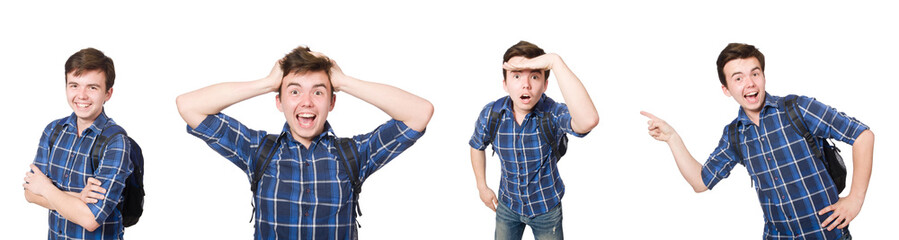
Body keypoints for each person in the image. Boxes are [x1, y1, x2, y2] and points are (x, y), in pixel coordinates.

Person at [176, 46, 433, 239]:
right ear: (280, 101)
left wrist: (343, 81)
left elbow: (419, 113)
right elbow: (189, 106)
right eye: (295, 91)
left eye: (319, 92)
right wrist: (266, 83)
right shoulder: (257, 150)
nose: (307, 102)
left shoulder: (354, 154)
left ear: (331, 102)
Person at [641, 43, 874, 239]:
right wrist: (672, 138)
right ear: (726, 89)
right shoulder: (734, 135)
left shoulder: (798, 108)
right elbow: (701, 182)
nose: (750, 83)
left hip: (827, 235)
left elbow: (862, 135)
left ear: (763, 76)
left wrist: (855, 199)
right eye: (738, 78)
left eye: (755, 73)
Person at [468, 41, 599, 240]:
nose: (526, 84)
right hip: (507, 205)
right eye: (517, 75)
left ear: (545, 84)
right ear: (505, 83)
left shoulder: (552, 114)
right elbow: (477, 145)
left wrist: (554, 61)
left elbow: (588, 120)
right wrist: (482, 186)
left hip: (546, 207)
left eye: (535, 76)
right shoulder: (491, 114)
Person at [24, 48, 134, 239]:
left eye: (92, 87)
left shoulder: (116, 141)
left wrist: (46, 188)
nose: (81, 95)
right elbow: (30, 193)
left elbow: (90, 219)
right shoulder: (53, 130)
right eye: (74, 85)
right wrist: (77, 198)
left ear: (108, 93)